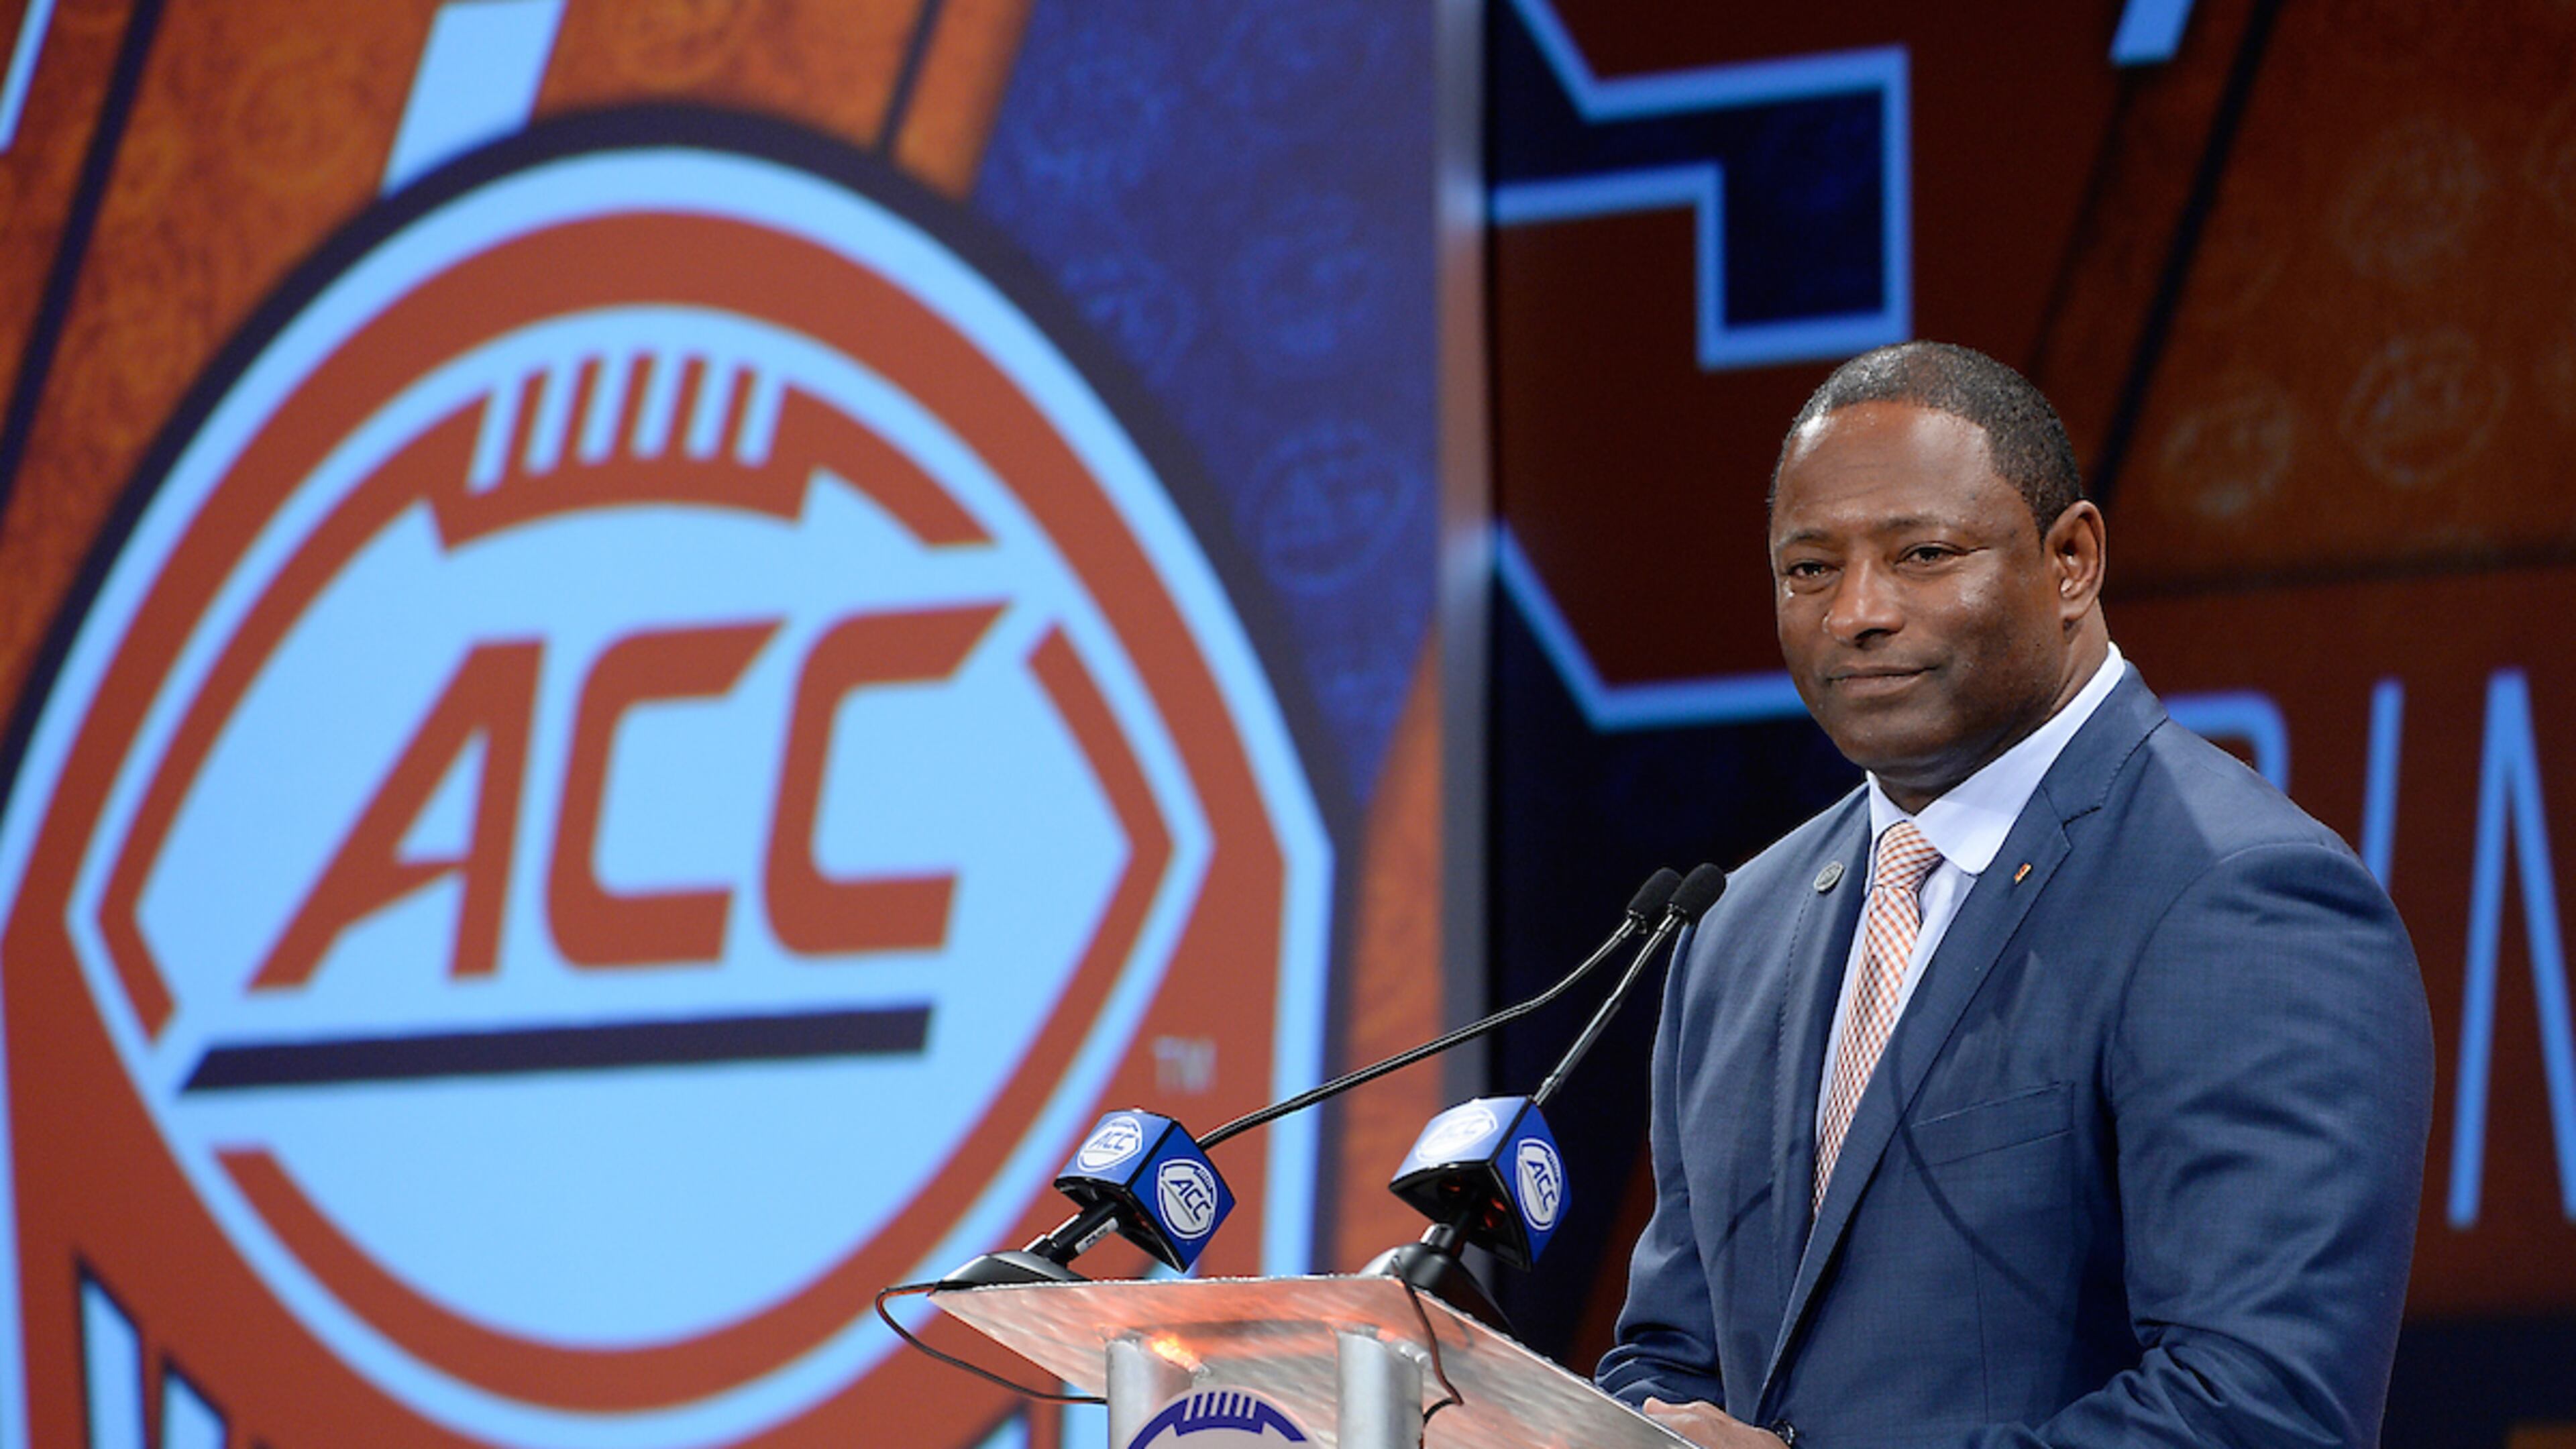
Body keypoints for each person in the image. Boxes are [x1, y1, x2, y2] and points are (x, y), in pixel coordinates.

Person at [1595, 341, 2433, 1447]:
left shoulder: (2241, 898)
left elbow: (2264, 1410)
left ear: (2073, 560)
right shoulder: (1737, 932)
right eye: (1809, 570)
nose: (1857, 612)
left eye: (1924, 554)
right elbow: (1672, 1356)